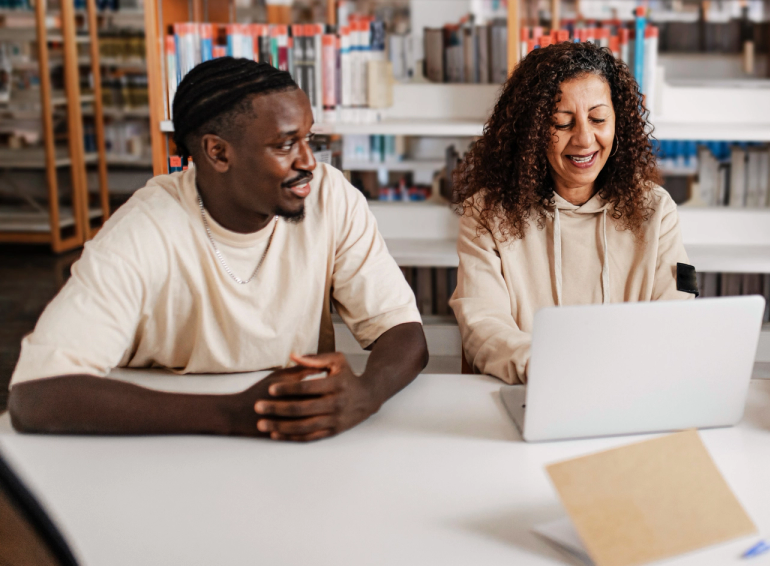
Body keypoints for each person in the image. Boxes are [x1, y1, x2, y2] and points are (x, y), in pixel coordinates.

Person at [8, 58, 428, 442]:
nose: (309, 162)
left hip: (294, 447)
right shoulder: (144, 229)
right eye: (284, 145)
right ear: (218, 152)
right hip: (162, 450)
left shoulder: (330, 196)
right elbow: (36, 395)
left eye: (309, 139)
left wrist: (367, 393)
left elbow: (403, 331)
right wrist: (231, 414)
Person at [450, 41, 693, 384]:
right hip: (532, 391)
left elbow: (676, 317)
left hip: (630, 390)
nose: (584, 139)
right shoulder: (488, 213)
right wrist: (549, 368)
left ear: (617, 123)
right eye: (561, 123)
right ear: (532, 131)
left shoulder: (655, 210)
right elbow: (483, 325)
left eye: (597, 119)